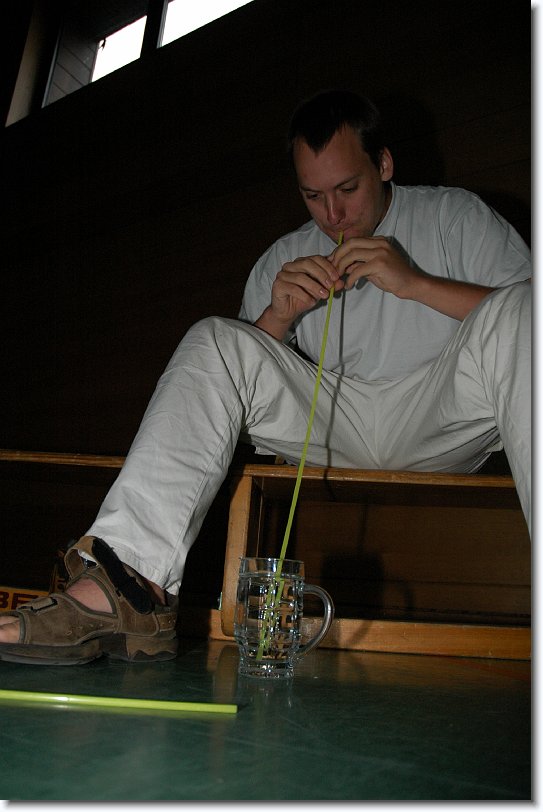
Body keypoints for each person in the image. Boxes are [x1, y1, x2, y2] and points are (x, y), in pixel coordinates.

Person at [0, 90, 531, 665]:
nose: (333, 215)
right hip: (337, 422)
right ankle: (128, 584)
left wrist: (414, 283)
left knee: (527, 308)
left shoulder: (455, 217)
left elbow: (527, 318)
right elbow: (230, 384)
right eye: (313, 196)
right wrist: (278, 317)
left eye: (347, 189)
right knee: (214, 337)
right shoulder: (286, 256)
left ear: (383, 164)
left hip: (442, 408)